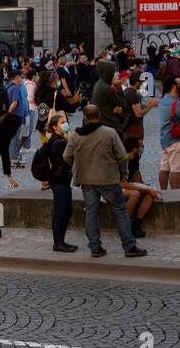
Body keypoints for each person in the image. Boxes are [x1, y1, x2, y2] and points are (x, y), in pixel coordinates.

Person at [63, 104, 146, 259]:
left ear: (84, 118)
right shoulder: (109, 133)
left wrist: (78, 165)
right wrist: (123, 173)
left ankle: (95, 247)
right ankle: (129, 245)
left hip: (86, 180)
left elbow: (66, 157)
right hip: (108, 178)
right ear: (99, 116)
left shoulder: (75, 135)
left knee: (91, 213)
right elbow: (122, 157)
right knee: (120, 211)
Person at [33, 110, 77, 253]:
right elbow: (64, 162)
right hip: (59, 180)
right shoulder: (59, 142)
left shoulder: (56, 140)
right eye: (62, 123)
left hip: (59, 180)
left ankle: (60, 241)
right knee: (62, 211)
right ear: (54, 127)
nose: (65, 124)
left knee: (64, 210)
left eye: (65, 122)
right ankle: (58, 243)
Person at [158, 76, 180, 190]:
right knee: (176, 170)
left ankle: (163, 192)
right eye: (179, 83)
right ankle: (175, 196)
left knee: (164, 167)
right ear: (173, 86)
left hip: (165, 138)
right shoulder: (176, 103)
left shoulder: (163, 101)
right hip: (177, 140)